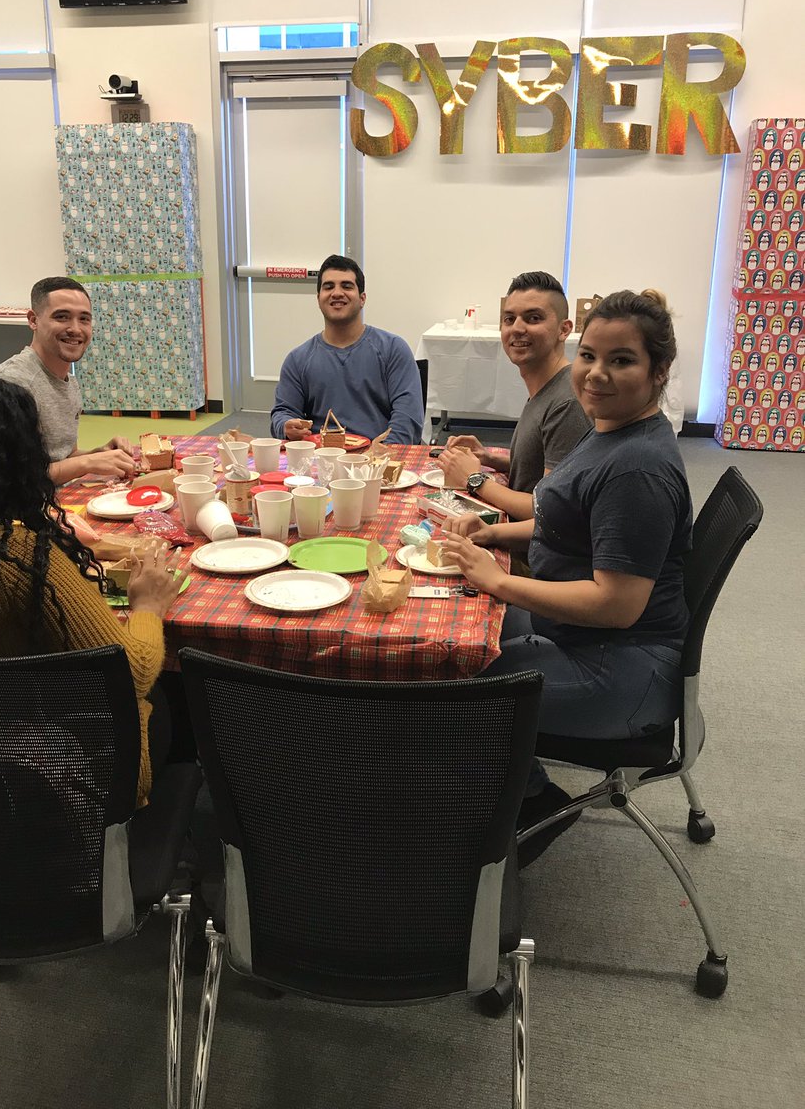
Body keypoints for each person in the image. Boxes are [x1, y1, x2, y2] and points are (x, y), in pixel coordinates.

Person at [442, 289, 693, 861]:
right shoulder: (610, 433)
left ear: (659, 372)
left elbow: (616, 604)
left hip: (623, 667)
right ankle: (498, 786)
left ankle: (529, 803)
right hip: (586, 641)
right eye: (590, 356)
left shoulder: (638, 470)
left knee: (447, 683)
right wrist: (492, 534)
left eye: (621, 360)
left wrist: (499, 579)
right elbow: (561, 518)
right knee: (457, 630)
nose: (596, 374)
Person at [0, 373, 185, 808]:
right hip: (62, 777)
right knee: (172, 697)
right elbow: (134, 669)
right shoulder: (16, 556)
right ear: (15, 460)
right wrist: (148, 605)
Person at [438, 271, 591, 570]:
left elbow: (546, 510)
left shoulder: (567, 403)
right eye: (509, 319)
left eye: (533, 318)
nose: (517, 329)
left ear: (564, 329)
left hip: (536, 563)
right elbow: (548, 471)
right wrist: (490, 459)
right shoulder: (545, 386)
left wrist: (476, 479)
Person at [0, 276, 136, 485]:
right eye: (62, 317)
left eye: (84, 319)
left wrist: (98, 454)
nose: (76, 329)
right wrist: (89, 463)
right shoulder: (14, 383)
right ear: (33, 320)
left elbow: (63, 458)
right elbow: (14, 478)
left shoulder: (69, 382)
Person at [270, 255, 424, 444]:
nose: (337, 293)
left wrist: (380, 457)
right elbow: (283, 413)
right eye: (328, 287)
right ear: (319, 299)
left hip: (378, 460)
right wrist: (286, 425)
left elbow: (407, 418)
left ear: (362, 299)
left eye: (347, 286)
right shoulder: (297, 359)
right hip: (320, 459)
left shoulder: (393, 349)